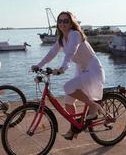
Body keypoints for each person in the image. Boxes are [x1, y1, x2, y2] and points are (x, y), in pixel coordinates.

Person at [31, 11, 105, 140]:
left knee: (67, 87)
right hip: (82, 69)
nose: (62, 24)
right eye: (60, 21)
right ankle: (74, 128)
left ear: (71, 23)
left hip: (93, 69)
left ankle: (93, 106)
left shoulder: (75, 34)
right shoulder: (61, 38)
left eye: (66, 21)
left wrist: (63, 68)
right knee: (68, 100)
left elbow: (70, 52)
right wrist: (39, 65)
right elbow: (52, 52)